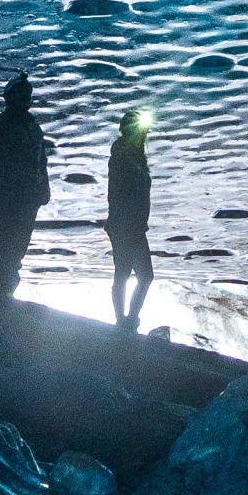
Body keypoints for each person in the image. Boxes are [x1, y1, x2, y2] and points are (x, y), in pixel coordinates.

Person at [0, 74, 49, 297]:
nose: (25, 99)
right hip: (8, 197)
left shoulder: (33, 128)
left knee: (19, 244)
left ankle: (6, 287)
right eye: (21, 95)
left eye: (27, 95)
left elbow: (42, 160)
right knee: (3, 243)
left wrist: (44, 188)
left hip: (30, 196)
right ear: (9, 97)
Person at [105, 105, 156, 330]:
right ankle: (124, 321)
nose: (144, 134)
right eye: (140, 130)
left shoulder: (136, 157)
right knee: (131, 274)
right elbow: (117, 194)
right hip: (125, 225)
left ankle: (128, 320)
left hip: (134, 225)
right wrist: (124, 223)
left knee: (138, 275)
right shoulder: (122, 158)